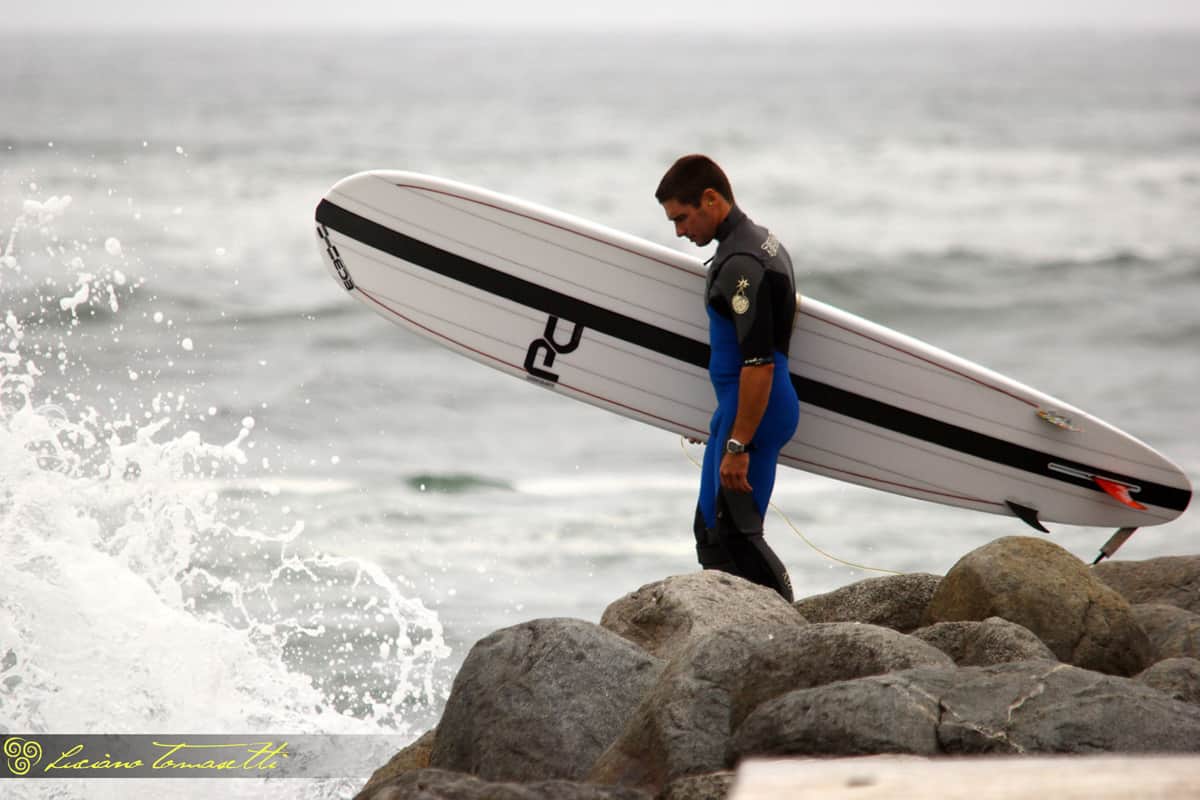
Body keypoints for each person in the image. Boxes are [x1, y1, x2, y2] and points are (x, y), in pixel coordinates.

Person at [655, 154, 798, 601]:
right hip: (737, 411)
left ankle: (786, 623)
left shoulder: (741, 263)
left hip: (756, 411)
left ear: (711, 199)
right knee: (710, 535)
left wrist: (738, 443)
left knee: (738, 536)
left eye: (682, 218)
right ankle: (748, 625)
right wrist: (725, 424)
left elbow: (759, 362)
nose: (679, 231)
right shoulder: (755, 241)